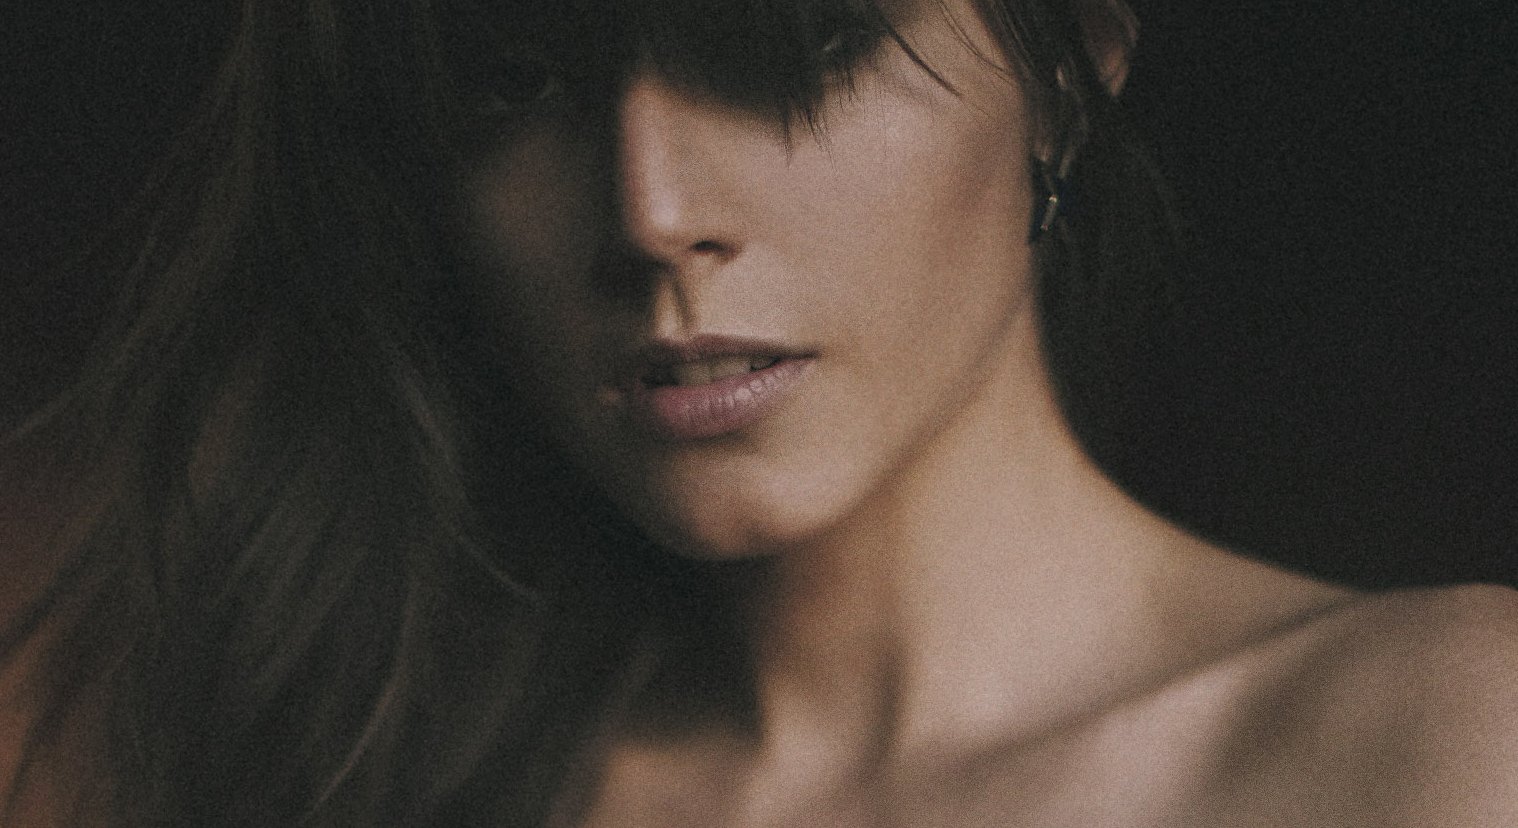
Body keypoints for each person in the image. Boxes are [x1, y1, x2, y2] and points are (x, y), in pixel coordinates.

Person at [3, 0, 1515, 825]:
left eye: (789, 56)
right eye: (515, 81)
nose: (652, 212)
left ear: (1072, 65)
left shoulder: (1437, 739)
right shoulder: (351, 769)